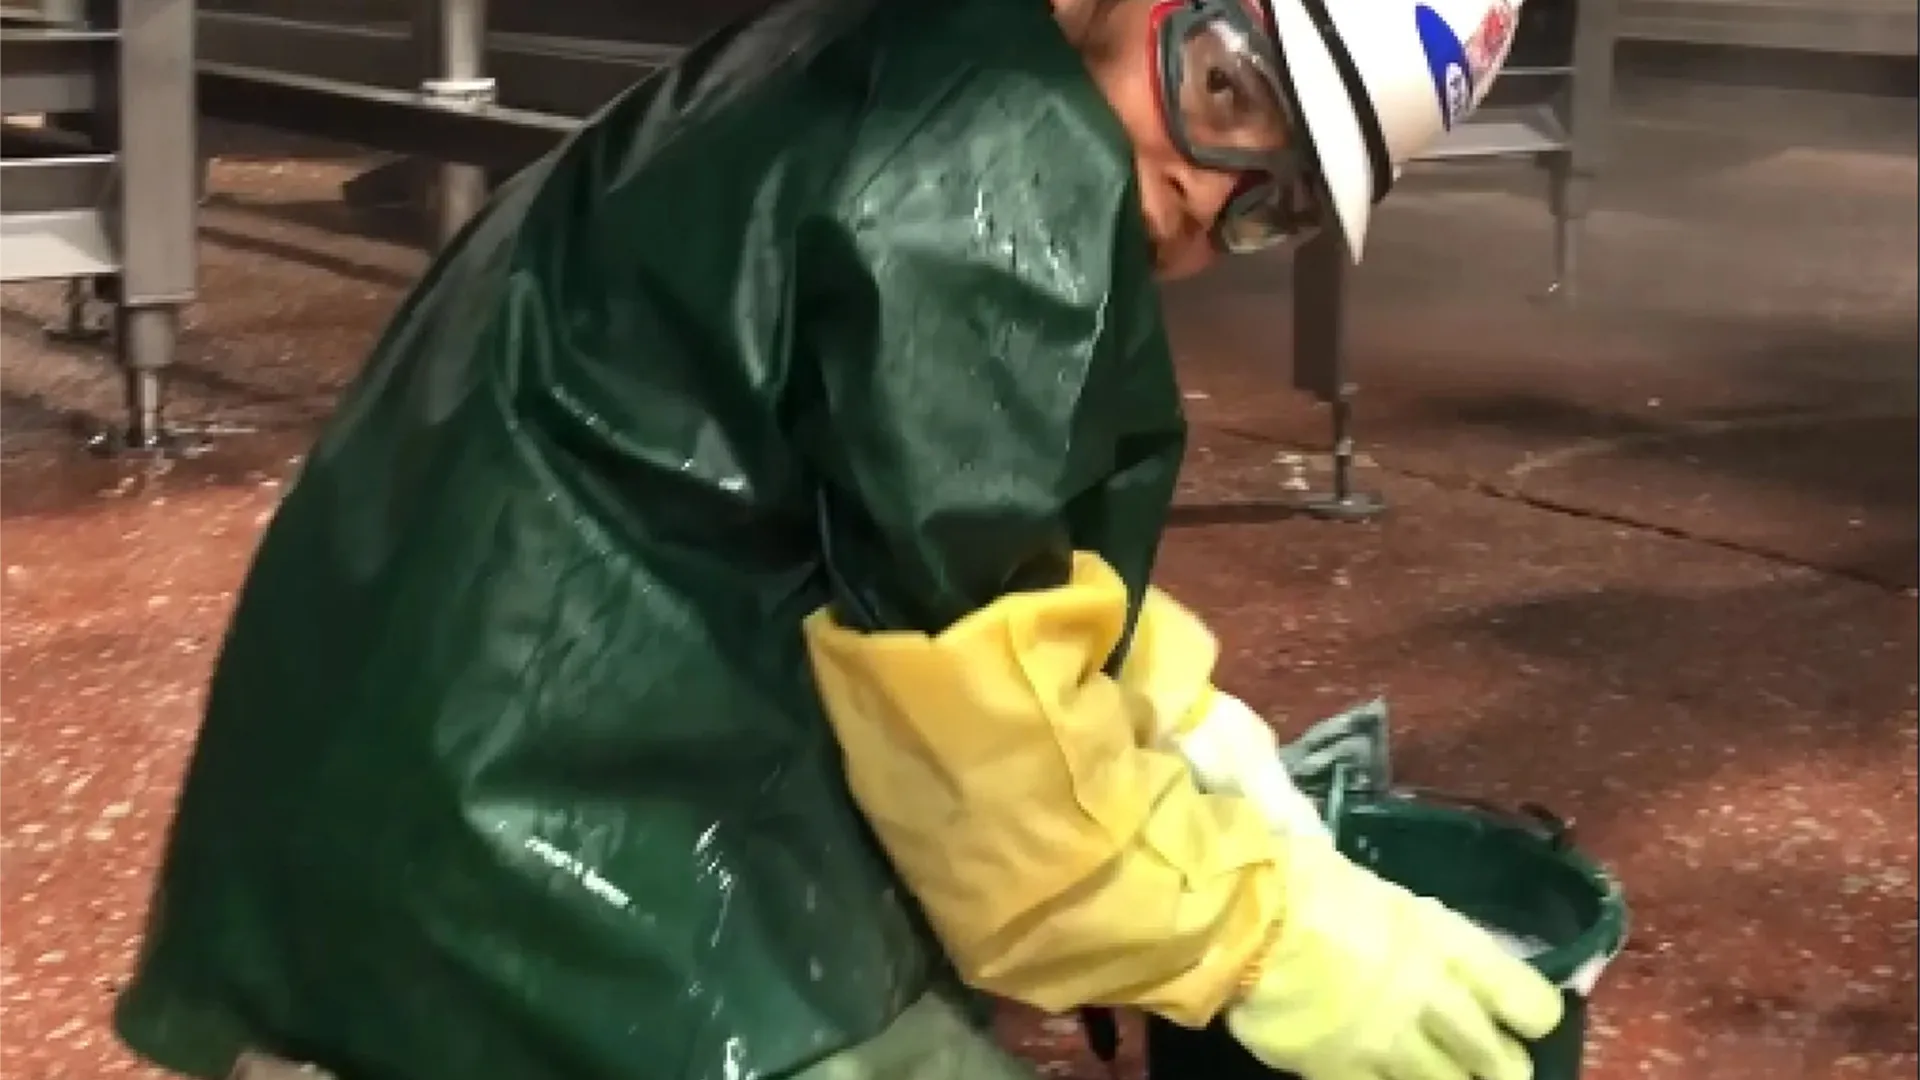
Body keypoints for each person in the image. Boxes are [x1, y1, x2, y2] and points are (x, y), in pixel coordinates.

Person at [114, 0, 1560, 1078]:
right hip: (533, 852)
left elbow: (955, 540)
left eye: (1281, 200)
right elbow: (1000, 790)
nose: (1207, 194)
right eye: (1228, 89)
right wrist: (1263, 939)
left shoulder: (898, 47)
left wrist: (1185, 727)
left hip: (397, 769)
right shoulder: (996, 177)